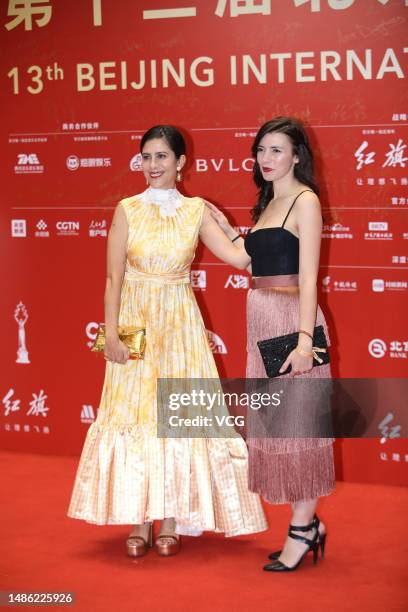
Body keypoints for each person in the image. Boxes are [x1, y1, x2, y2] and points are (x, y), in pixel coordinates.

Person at [67, 125, 267, 557]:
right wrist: (113, 335)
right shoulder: (126, 209)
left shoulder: (195, 211)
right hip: (134, 323)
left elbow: (240, 259)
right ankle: (139, 520)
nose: (152, 165)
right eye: (146, 156)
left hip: (179, 326)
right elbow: (113, 278)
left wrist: (231, 227)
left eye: (161, 157)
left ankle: (172, 518)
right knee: (135, 412)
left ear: (180, 163)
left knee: (176, 416)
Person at [206, 117, 335, 572]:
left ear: (297, 154)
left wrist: (304, 341)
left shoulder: (305, 201)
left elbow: (308, 278)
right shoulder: (267, 204)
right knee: (278, 426)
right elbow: (242, 259)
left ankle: (302, 530)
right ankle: (308, 524)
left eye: (276, 150)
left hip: (290, 323)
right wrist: (210, 220)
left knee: (299, 427)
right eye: (261, 150)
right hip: (260, 323)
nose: (266, 159)